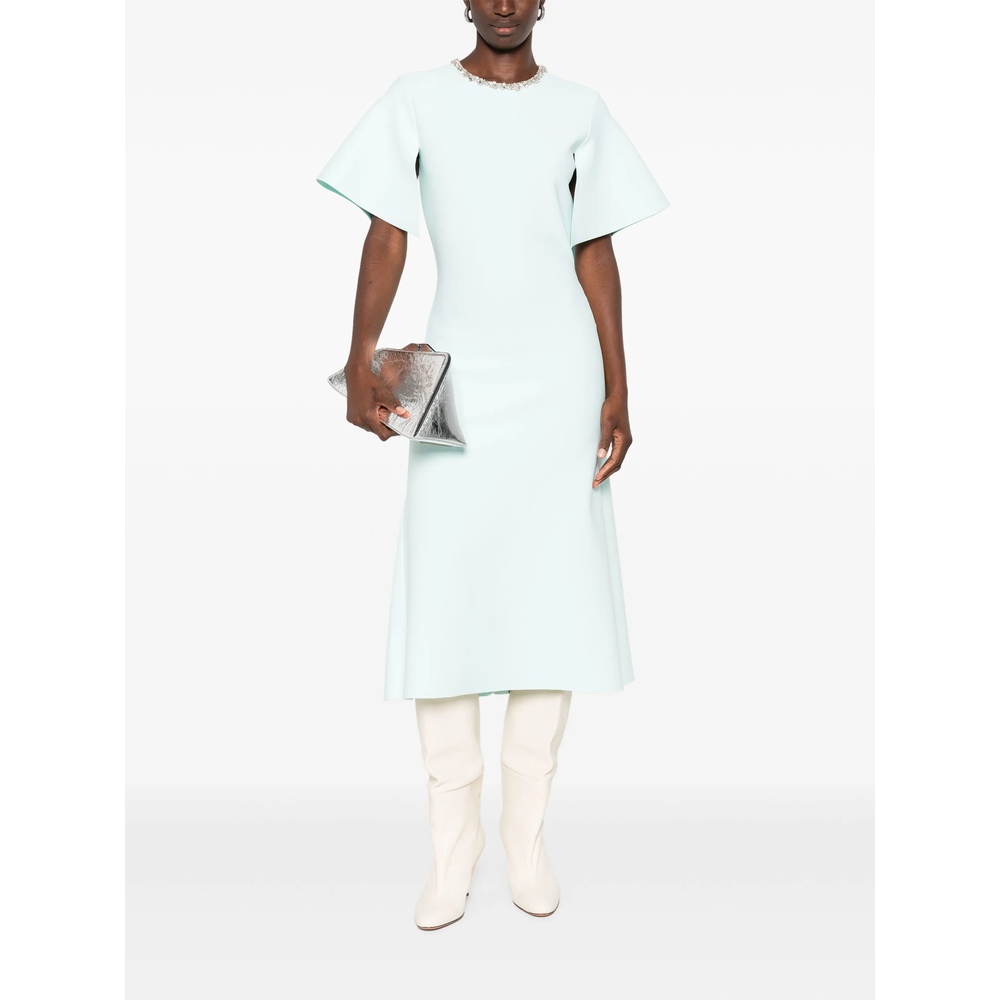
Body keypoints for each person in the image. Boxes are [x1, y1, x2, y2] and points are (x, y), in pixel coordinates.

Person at [315, 0, 669, 930]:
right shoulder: (415, 98)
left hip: (558, 382)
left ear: (545, 1)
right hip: (458, 381)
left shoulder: (580, 108)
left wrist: (618, 386)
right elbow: (388, 233)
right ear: (464, 2)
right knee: (444, 595)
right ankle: (451, 850)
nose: (506, 3)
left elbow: (594, 248)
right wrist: (359, 359)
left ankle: (525, 840)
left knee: (552, 597)